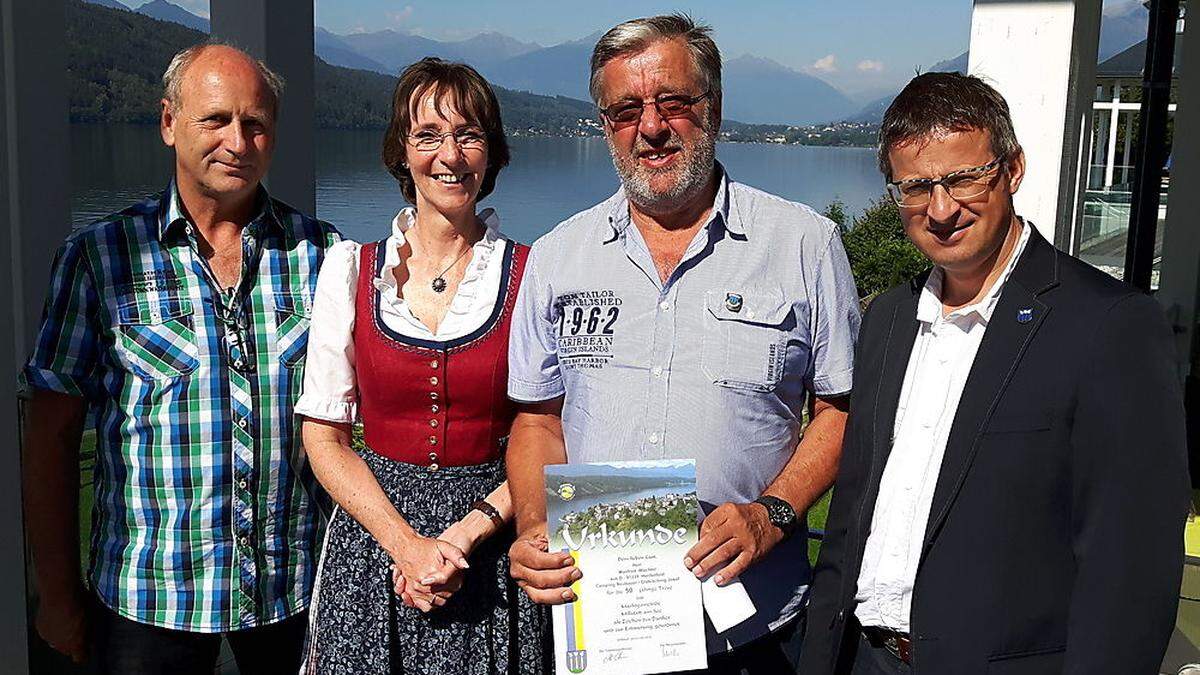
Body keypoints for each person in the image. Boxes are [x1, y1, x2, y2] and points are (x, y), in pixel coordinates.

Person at [504, 14, 861, 674]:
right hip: (602, 620)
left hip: (753, 627)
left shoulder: (805, 245)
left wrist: (772, 511)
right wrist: (532, 523)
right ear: (604, 123)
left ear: (714, 108)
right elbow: (536, 419)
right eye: (625, 110)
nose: (651, 127)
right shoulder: (556, 257)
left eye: (673, 102)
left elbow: (842, 410)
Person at [800, 72, 1190, 674]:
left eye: (963, 178)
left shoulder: (1108, 326)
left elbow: (1130, 567)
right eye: (915, 186)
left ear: (1012, 169)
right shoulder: (890, 319)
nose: (940, 209)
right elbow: (853, 517)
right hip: (863, 660)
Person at [21, 42, 340, 674]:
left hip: (296, 594)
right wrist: (56, 595)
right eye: (215, 120)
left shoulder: (324, 255)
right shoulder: (100, 259)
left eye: (255, 124)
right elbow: (50, 439)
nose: (237, 141)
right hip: (148, 599)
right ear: (169, 123)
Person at [296, 57, 550, 675]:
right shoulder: (349, 270)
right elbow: (324, 436)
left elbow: (542, 430)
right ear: (401, 152)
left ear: (490, 154)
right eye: (428, 136)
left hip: (490, 538)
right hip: (373, 538)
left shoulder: (532, 272)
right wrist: (404, 545)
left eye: (469, 136)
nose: (450, 156)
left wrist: (470, 531)